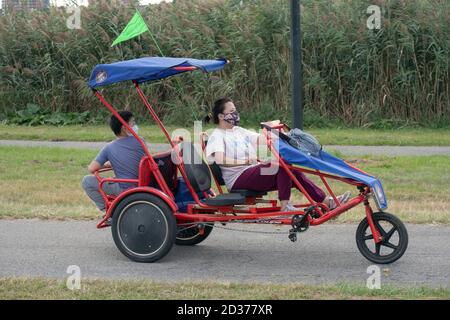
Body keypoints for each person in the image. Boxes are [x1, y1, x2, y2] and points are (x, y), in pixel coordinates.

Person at [205, 98, 350, 212]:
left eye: (235, 110)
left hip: (251, 172)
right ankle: (285, 205)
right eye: (232, 111)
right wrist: (245, 160)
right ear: (221, 116)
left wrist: (280, 132)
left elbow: (261, 139)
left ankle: (326, 202)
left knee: (292, 172)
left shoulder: (239, 131)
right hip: (237, 178)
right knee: (281, 164)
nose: (235, 114)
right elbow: (219, 159)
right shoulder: (217, 135)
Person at [81, 111, 146, 218]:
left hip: (126, 188)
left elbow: (92, 168)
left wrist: (106, 165)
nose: (135, 126)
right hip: (143, 184)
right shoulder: (141, 141)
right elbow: (134, 159)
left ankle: (108, 211)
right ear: (124, 128)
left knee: (87, 181)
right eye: (133, 123)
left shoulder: (109, 148)